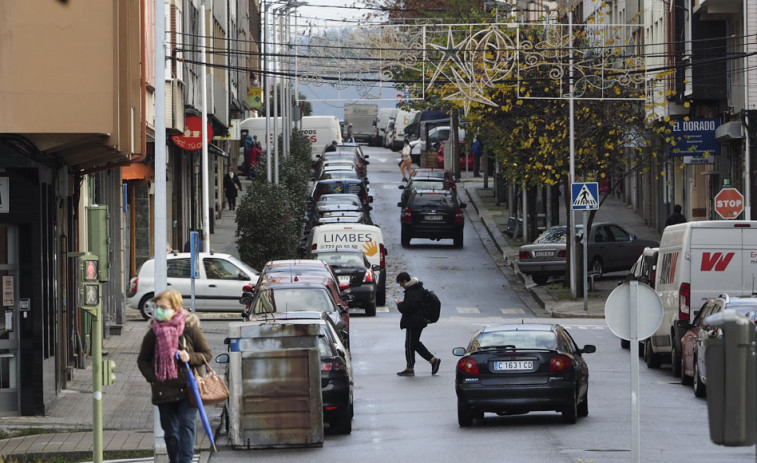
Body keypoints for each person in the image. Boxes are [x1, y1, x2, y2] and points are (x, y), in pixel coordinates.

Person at [137, 289, 211, 463]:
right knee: (171, 434)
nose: (159, 310)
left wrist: (190, 357)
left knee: (186, 424)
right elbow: (142, 360)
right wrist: (154, 378)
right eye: (158, 307)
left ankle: (185, 461)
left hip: (188, 389)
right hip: (164, 391)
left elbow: (206, 354)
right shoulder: (153, 333)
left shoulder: (190, 329)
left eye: (164, 306)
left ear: (175, 307)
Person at [394, 271, 441, 377]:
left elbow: (408, 308)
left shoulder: (412, 291)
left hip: (414, 322)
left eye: (401, 284)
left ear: (405, 281)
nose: (401, 286)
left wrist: (399, 305)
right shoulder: (417, 288)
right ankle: (433, 360)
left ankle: (410, 368)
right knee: (415, 343)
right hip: (419, 321)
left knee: (409, 345)